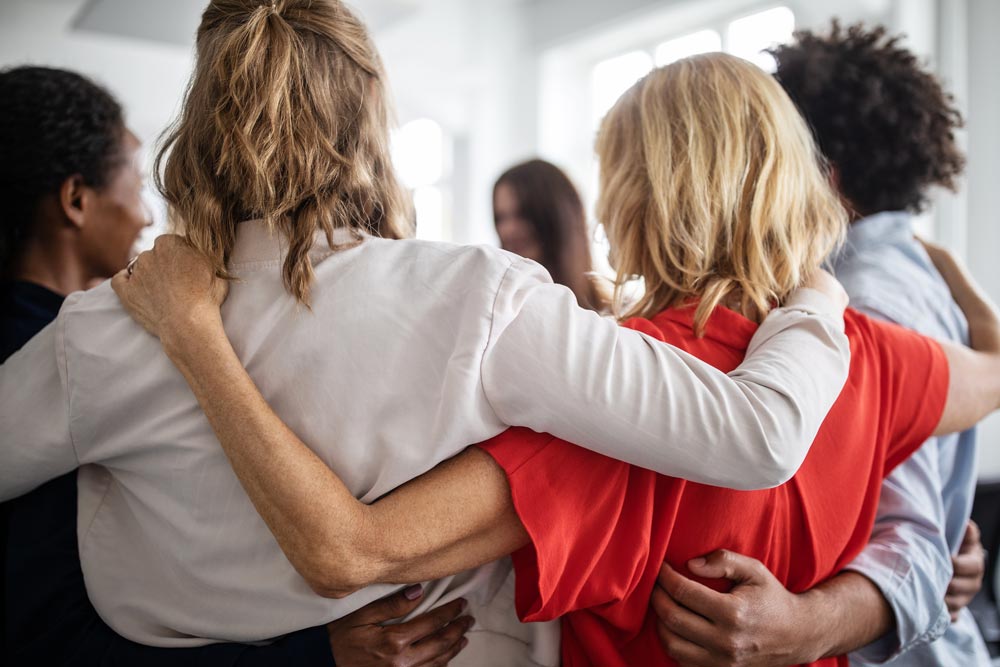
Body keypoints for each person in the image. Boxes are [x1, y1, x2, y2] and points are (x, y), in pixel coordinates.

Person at [0, 0, 855, 664]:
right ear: (369, 121)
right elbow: (759, 434)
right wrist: (816, 294)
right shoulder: (480, 302)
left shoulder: (111, 329)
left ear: (204, 131)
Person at [109, 53, 1000, 667]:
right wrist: (947, 277)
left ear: (636, 196)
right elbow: (992, 374)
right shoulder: (871, 352)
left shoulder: (616, 397)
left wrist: (198, 337)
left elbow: (353, 548)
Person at [0, 65, 471, 667]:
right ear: (75, 199)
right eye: (134, 182)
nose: (147, 216)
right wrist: (316, 656)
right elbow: (47, 638)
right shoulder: (66, 353)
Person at [650, 22, 991, 667]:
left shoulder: (861, 298)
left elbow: (912, 546)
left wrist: (806, 625)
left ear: (823, 177)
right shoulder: (906, 270)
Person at [493, 159, 607, 311]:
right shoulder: (498, 309)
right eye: (501, 217)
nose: (509, 230)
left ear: (558, 217)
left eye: (523, 214)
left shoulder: (614, 319)